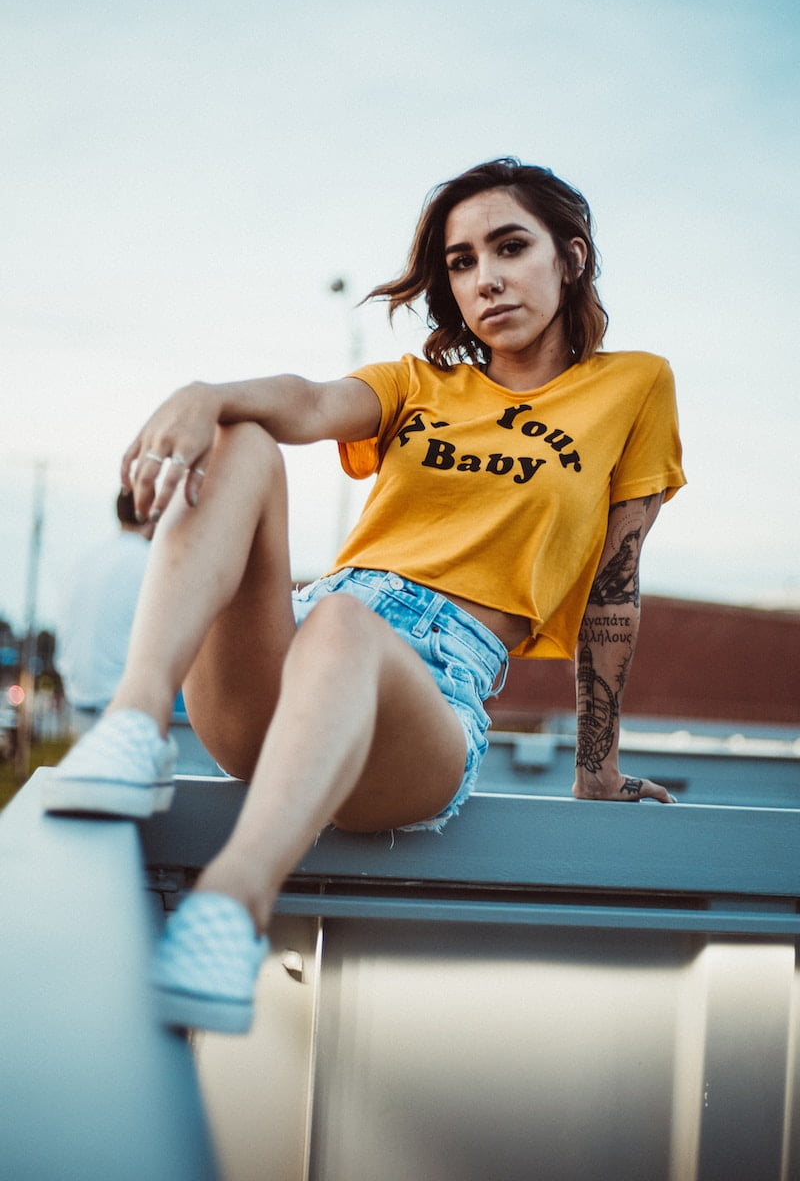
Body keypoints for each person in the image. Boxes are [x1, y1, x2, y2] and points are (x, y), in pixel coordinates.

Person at [44, 158, 686, 1034]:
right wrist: (205, 395)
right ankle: (136, 724)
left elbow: (617, 583)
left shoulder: (634, 384)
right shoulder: (420, 385)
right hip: (290, 651)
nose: (486, 278)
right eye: (461, 262)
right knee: (244, 439)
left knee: (344, 627)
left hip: (426, 697)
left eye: (510, 247)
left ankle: (228, 913)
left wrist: (596, 766)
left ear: (569, 259)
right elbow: (306, 403)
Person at [57, 489, 154, 735]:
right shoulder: (150, 562)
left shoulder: (85, 561)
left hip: (79, 702)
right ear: (152, 512)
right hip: (122, 709)